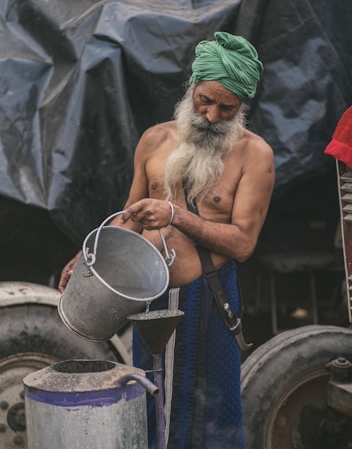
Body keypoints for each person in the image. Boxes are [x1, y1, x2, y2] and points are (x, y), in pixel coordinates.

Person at [59, 31, 275, 449]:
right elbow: (130, 217)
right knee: (148, 402)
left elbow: (244, 243)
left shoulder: (255, 155)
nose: (212, 116)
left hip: (209, 298)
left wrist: (176, 215)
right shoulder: (154, 140)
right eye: (205, 101)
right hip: (149, 297)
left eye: (227, 108)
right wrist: (87, 256)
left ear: (242, 106)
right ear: (192, 87)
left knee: (212, 418)